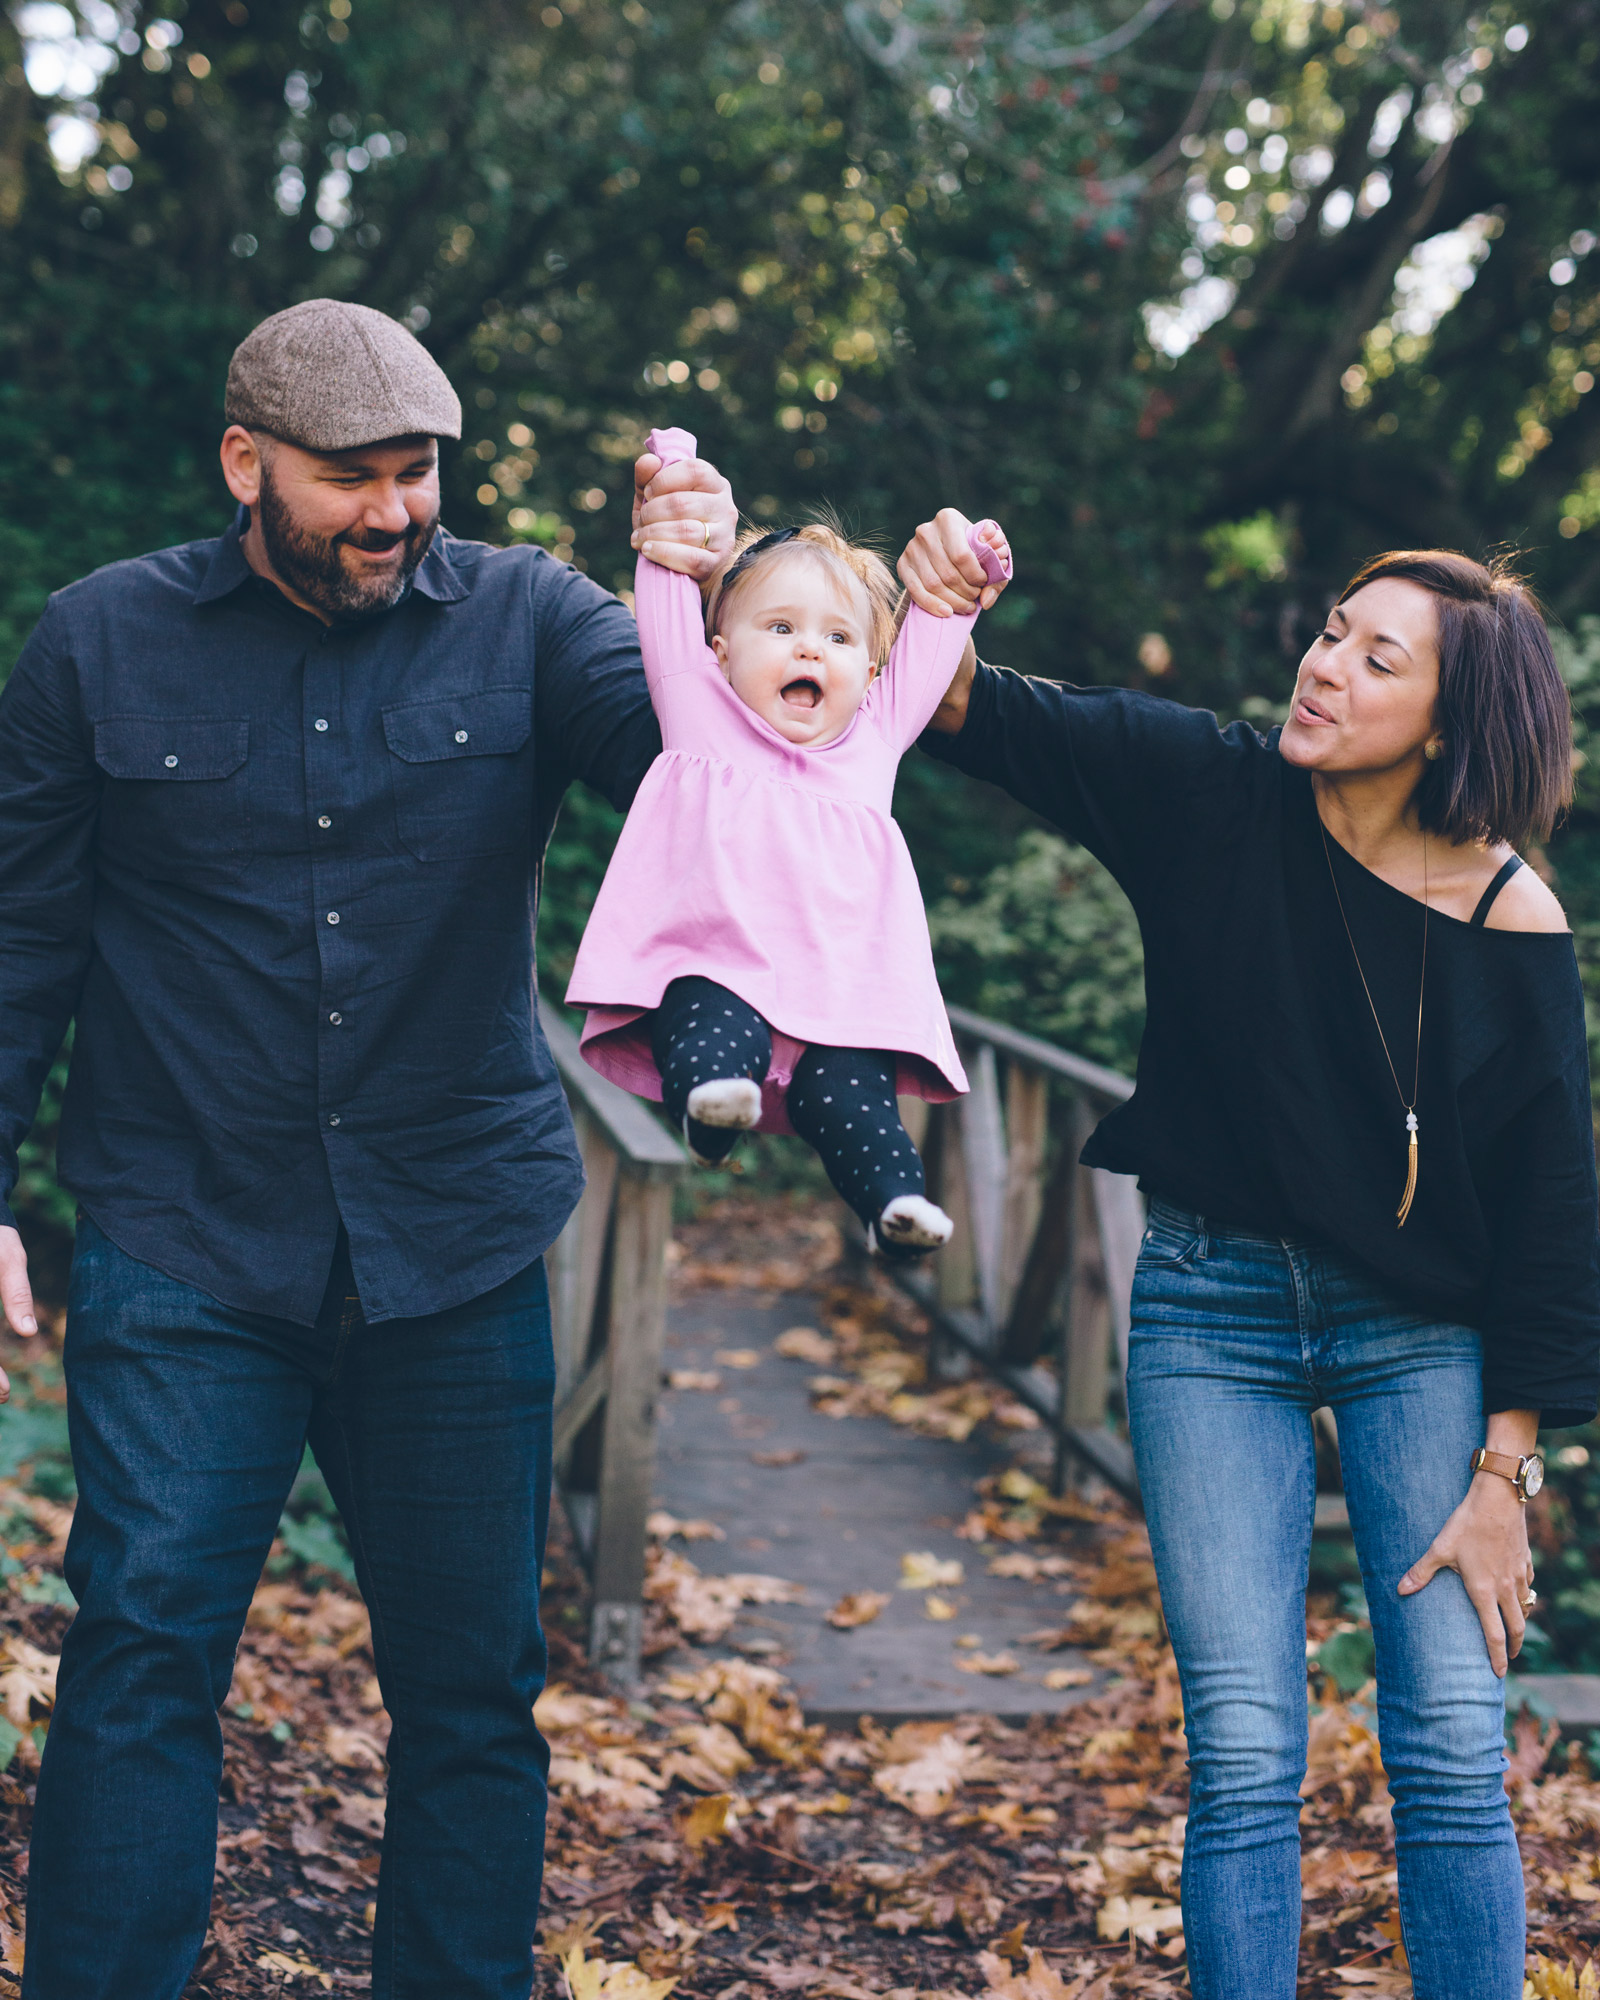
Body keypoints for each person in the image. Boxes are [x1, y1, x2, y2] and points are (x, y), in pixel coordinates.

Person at [0, 301, 736, 2000]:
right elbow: (23, 936)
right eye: (353, 480)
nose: (396, 513)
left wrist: (702, 597)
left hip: (455, 1243)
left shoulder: (537, 618)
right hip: (186, 1236)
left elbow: (702, 777)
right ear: (247, 461)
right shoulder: (96, 645)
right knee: (139, 1658)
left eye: (419, 475)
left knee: (473, 1691)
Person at [901, 523, 1600, 2000]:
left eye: (1375, 656)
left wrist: (1508, 1480)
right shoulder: (1209, 792)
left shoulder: (1509, 915)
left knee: (1455, 1749)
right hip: (1210, 1308)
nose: (1326, 665)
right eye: (1332, 630)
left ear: (1454, 719)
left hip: (1424, 1337)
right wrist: (929, 603)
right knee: (1241, 1746)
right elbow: (965, 705)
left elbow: (1551, 1220)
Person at [565, 426, 1011, 1255]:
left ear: (870, 673)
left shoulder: (875, 740)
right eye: (781, 627)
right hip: (715, 964)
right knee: (710, 1030)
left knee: (853, 1098)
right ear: (721, 651)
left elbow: (938, 621)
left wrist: (977, 566)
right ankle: (708, 1112)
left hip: (838, 997)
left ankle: (894, 1209)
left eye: (839, 639)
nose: (811, 646)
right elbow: (665, 576)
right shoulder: (694, 707)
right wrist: (675, 463)